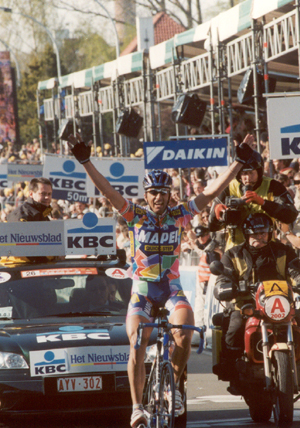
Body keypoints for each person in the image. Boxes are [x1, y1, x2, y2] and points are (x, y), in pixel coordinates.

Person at [67, 133, 257, 428]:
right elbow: (107, 191)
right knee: (137, 343)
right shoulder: (135, 215)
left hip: (170, 288)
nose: (158, 197)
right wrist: (85, 161)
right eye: (153, 192)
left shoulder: (180, 215)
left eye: (163, 193)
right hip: (142, 291)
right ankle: (136, 406)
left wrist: (238, 162)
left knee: (184, 331)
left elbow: (210, 191)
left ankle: (173, 386)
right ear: (146, 194)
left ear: (170, 195)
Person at [214, 213, 300, 393]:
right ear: (246, 235)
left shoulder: (283, 251)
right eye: (254, 234)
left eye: (263, 233)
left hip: (279, 304)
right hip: (246, 305)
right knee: (233, 328)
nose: (259, 237)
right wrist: (225, 286)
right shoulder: (233, 254)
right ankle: (233, 369)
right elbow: (222, 278)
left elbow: (296, 273)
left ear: (270, 234)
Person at [209, 135, 298, 250]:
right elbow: (211, 226)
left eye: (251, 173)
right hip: (236, 249)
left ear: (259, 172)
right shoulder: (228, 187)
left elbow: (290, 215)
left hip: (265, 246)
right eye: (244, 174)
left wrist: (264, 203)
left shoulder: (273, 186)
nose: (247, 178)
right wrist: (219, 215)